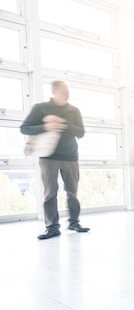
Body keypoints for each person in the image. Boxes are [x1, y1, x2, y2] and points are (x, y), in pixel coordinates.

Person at [20, 80, 90, 239]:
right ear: (54, 91)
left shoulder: (74, 110)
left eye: (68, 90)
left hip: (71, 157)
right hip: (48, 157)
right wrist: (46, 127)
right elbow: (24, 128)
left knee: (72, 193)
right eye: (64, 90)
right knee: (50, 193)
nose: (67, 93)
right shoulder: (40, 108)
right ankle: (52, 227)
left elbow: (81, 132)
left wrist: (64, 123)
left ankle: (74, 222)